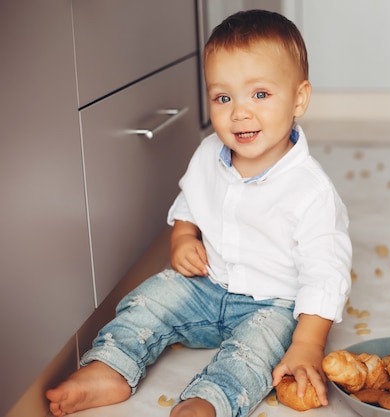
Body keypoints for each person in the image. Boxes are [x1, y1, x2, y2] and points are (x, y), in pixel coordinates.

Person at [46, 9, 352, 417]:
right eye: (223, 97)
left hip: (274, 305)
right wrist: (184, 237)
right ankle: (110, 368)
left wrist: (307, 344)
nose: (239, 112)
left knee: (255, 353)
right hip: (207, 286)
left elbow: (325, 273)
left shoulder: (311, 192)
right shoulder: (209, 153)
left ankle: (208, 401)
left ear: (299, 98)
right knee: (148, 301)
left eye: (260, 94)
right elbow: (190, 202)